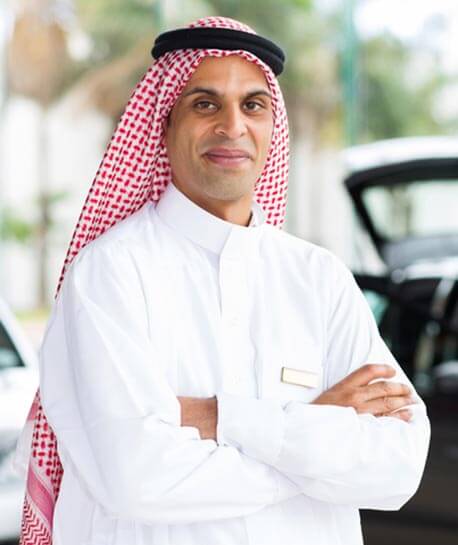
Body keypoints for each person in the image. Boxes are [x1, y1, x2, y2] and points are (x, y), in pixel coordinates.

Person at [16, 16, 430, 545]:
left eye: (253, 105)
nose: (232, 126)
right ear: (163, 126)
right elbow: (137, 478)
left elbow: (396, 469)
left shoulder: (319, 278)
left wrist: (219, 417)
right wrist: (314, 439)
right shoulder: (109, 273)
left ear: (272, 128)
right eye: (205, 104)